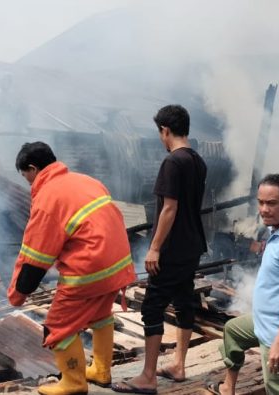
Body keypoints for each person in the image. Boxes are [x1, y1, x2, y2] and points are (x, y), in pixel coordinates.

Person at [8, 141, 136, 395]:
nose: (28, 183)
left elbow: (35, 257)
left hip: (90, 269)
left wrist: (18, 294)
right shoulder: (86, 180)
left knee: (57, 326)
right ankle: (101, 371)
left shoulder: (47, 198)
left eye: (25, 176)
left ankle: (74, 383)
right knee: (100, 315)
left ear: (33, 169)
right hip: (119, 264)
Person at [113, 105, 207, 394]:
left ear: (165, 130)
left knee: (152, 307)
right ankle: (178, 365)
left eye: (160, 132)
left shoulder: (173, 162)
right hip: (193, 245)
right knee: (184, 300)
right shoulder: (198, 161)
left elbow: (169, 208)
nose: (160, 138)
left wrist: (154, 248)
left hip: (173, 249)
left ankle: (148, 376)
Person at [209, 174, 279, 395]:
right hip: (263, 322)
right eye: (261, 202)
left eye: (272, 203)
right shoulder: (276, 230)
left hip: (277, 332)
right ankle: (228, 387)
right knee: (233, 331)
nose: (264, 209)